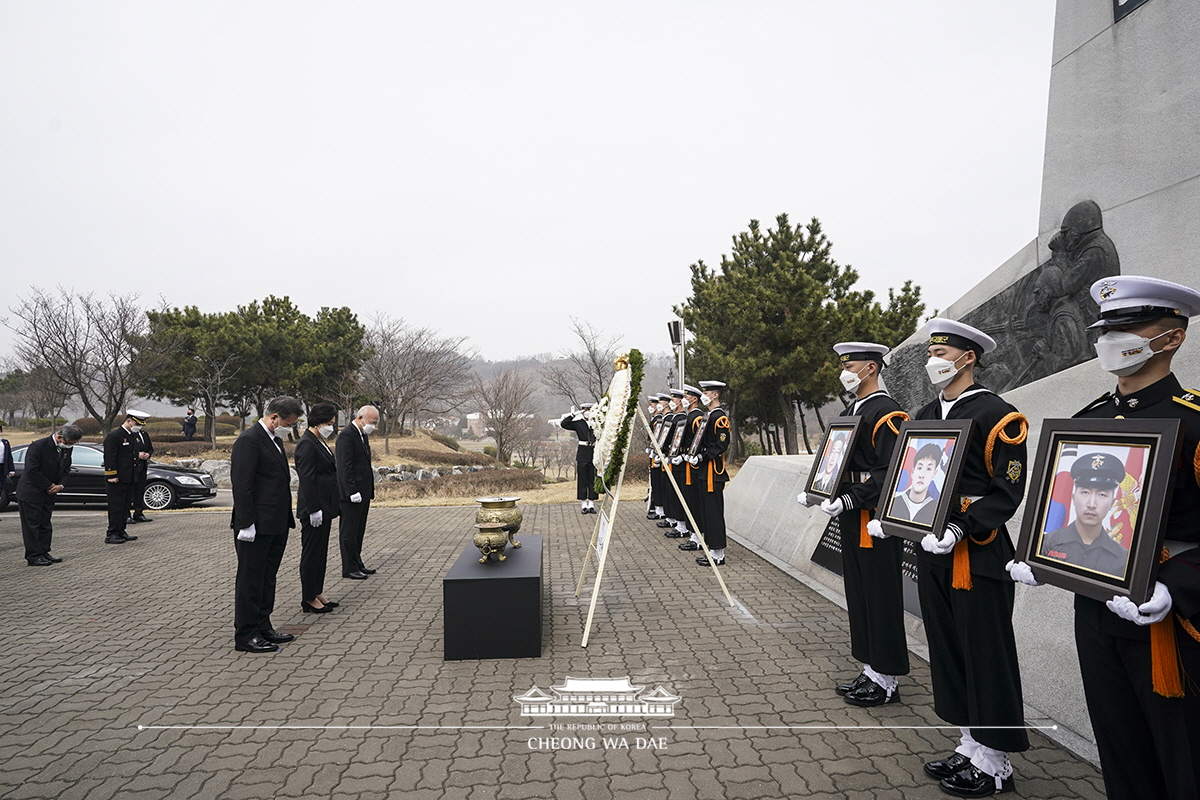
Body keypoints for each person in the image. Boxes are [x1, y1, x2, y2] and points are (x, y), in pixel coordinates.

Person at [1010, 275, 1200, 799]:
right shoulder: (1089, 420)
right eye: (1105, 329)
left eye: (1130, 327)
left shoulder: (1194, 422)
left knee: (1182, 757)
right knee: (1121, 751)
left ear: (1172, 337)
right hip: (1094, 610)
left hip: (1167, 618)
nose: (1111, 340)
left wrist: (1177, 587)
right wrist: (1045, 555)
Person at [909, 318, 1029, 798]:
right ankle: (969, 743)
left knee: (986, 655)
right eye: (931, 354)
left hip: (975, 554)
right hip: (932, 551)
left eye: (944, 354)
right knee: (949, 650)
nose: (935, 362)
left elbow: (1007, 490)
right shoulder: (923, 412)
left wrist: (962, 525)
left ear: (968, 358)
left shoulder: (998, 414)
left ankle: (996, 762)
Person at [799, 342, 911, 708]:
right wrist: (818, 489)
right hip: (850, 513)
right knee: (860, 595)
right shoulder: (854, 409)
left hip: (874, 515)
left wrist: (851, 498)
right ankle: (870, 667)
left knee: (881, 594)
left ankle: (887, 677)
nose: (846, 371)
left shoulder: (887, 412)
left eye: (853, 365)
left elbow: (890, 470)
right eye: (843, 365)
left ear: (872, 368)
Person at [231, 395, 302, 653]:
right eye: (288, 423)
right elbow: (243, 485)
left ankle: (263, 626)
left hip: (275, 523)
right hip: (256, 526)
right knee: (251, 580)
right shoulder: (249, 441)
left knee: (267, 578)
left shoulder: (273, 440)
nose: (289, 429)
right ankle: (246, 635)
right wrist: (246, 523)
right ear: (274, 418)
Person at [1038, 452, 1128, 577]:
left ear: (1112, 503)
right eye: (1085, 492)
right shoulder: (1046, 544)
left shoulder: (1123, 559)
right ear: (1073, 498)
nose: (1091, 504)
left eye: (1102, 495)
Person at [296, 403, 341, 613]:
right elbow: (307, 479)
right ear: (318, 421)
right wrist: (313, 509)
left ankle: (317, 591)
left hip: (325, 507)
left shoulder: (319, 441)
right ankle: (308, 598)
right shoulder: (306, 443)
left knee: (321, 552)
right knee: (311, 553)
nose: (331, 427)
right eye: (329, 423)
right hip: (314, 508)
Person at [17, 424, 82, 566]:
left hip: (50, 493)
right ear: (60, 437)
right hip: (32, 492)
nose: (71, 446)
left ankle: (44, 551)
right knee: (32, 525)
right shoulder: (38, 446)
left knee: (45, 524)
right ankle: (34, 555)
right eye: (70, 443)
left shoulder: (66, 449)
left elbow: (66, 469)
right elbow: (31, 470)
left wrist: (60, 486)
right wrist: (48, 485)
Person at [689, 381, 732, 567]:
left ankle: (718, 553)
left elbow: (721, 445)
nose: (704, 395)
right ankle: (711, 549)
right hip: (703, 470)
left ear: (715, 395)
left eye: (706, 392)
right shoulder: (709, 416)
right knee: (707, 510)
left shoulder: (719, 417)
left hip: (713, 471)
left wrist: (702, 456)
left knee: (714, 511)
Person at [337, 405, 379, 580]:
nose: (373, 427)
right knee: (349, 531)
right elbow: (344, 467)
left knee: (359, 530)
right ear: (360, 418)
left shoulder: (362, 435)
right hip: (352, 494)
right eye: (371, 422)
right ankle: (349, 567)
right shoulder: (347, 436)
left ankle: (357, 561)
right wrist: (351, 490)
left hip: (363, 491)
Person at [102, 410, 147, 544]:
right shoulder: (115, 436)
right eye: (136, 423)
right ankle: (112, 533)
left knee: (124, 506)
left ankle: (121, 530)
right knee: (116, 507)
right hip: (117, 479)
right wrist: (111, 474)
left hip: (129, 477)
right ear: (128, 421)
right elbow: (110, 457)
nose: (138, 427)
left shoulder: (132, 436)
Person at [667, 386, 703, 541]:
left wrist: (688, 455)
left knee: (692, 500)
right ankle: (685, 528)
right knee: (682, 496)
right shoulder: (688, 416)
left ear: (694, 399)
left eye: (686, 397)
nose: (683, 400)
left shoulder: (697, 417)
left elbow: (698, 441)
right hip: (682, 460)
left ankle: (693, 534)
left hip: (691, 464)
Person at [888, 443, 942, 526]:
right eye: (919, 468)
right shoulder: (893, 503)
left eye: (928, 469)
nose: (922, 475)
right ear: (913, 472)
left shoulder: (937, 509)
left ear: (934, 474)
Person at [559, 403, 599, 514]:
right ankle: (583, 505)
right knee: (582, 479)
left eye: (589, 409)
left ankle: (591, 504)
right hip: (582, 452)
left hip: (593, 452)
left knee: (592, 478)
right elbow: (564, 424)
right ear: (582, 411)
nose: (587, 411)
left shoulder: (596, 423)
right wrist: (573, 414)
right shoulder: (578, 423)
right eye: (585, 410)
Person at [128, 411, 154, 524]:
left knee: (139, 491)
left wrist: (147, 454)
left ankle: (139, 513)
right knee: (129, 492)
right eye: (137, 423)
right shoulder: (127, 435)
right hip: (131, 468)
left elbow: (150, 448)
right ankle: (126, 514)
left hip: (142, 467)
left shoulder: (144, 434)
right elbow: (125, 451)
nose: (139, 426)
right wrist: (137, 455)